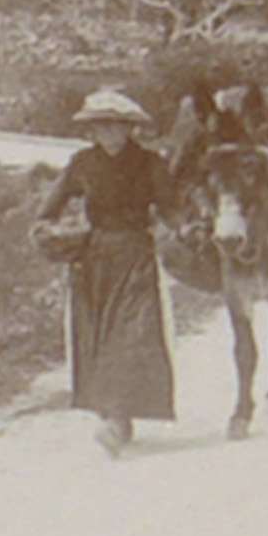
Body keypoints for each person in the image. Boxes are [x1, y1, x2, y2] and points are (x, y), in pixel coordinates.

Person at [34, 86, 180, 457]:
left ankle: (116, 417)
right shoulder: (83, 163)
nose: (110, 133)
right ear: (91, 130)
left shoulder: (150, 163)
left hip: (135, 255)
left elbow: (171, 208)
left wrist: (186, 228)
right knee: (97, 336)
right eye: (101, 126)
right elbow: (48, 210)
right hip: (94, 259)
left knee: (131, 334)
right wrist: (50, 232)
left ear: (130, 128)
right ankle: (115, 415)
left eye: (117, 126)